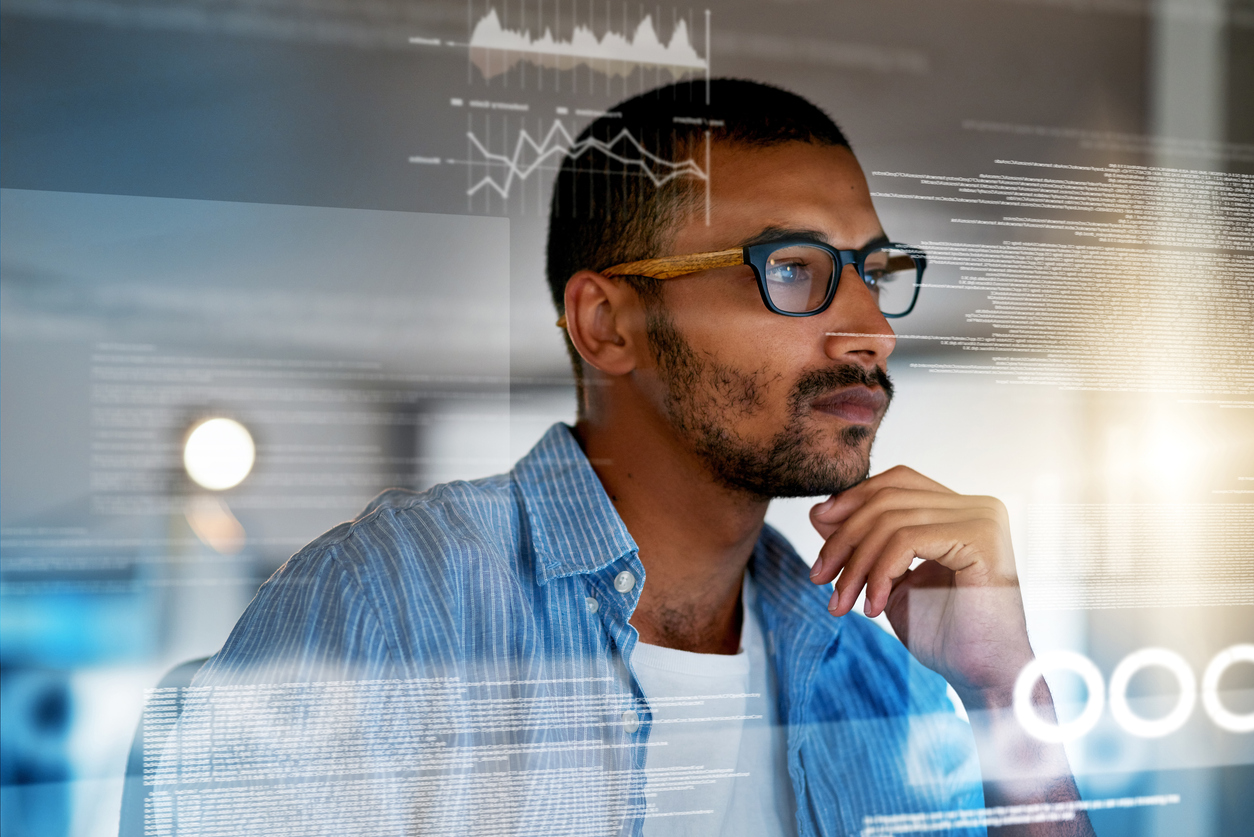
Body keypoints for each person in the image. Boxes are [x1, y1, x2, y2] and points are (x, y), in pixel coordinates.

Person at [153, 79, 1093, 837]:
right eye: (795, 269)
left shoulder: (883, 671)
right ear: (609, 324)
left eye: (875, 272)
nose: (872, 330)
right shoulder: (392, 603)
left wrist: (1004, 686)